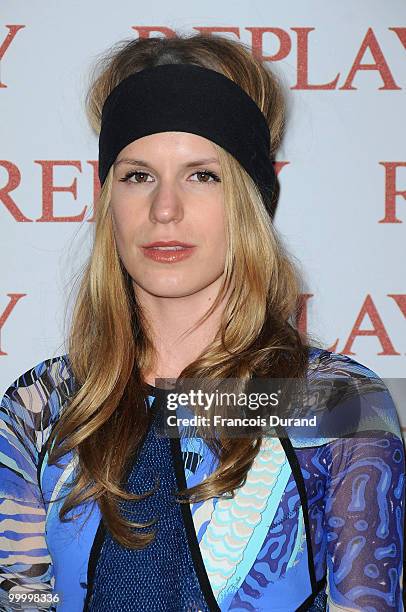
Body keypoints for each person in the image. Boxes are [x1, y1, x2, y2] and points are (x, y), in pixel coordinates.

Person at [0, 33, 404, 612]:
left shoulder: (336, 403)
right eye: (138, 175)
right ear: (108, 200)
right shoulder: (39, 409)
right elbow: (24, 601)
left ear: (249, 201)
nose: (165, 209)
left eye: (202, 175)